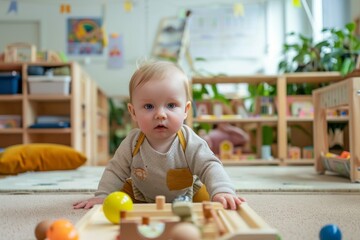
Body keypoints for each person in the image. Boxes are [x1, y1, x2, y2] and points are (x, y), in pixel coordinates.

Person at [73, 60, 245, 210]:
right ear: (133, 112)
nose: (160, 114)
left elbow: (209, 165)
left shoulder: (189, 140)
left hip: (187, 194)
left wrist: (222, 190)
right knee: (118, 196)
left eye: (171, 105)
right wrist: (103, 195)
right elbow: (116, 171)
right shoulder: (132, 143)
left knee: (213, 201)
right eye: (149, 106)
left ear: (185, 110)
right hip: (141, 195)